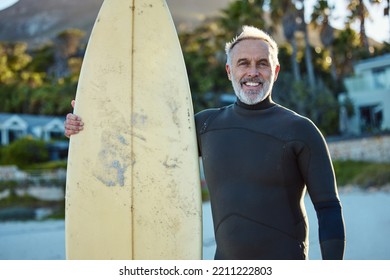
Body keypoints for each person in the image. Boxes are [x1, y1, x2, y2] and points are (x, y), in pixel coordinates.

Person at [65, 25, 345, 260]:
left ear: (276, 70)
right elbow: (143, 145)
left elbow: (329, 208)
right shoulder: (205, 125)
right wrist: (90, 124)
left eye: (262, 63)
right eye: (243, 63)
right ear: (229, 70)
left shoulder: (301, 130)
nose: (253, 72)